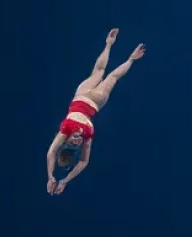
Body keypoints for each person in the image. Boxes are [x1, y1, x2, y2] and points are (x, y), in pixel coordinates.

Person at [45, 29, 145, 195]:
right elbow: (84, 162)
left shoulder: (65, 130)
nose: (77, 139)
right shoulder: (87, 136)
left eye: (73, 141)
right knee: (112, 77)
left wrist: (50, 176)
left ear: (67, 140)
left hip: (81, 95)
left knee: (98, 71)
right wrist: (65, 181)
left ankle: (109, 44)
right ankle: (131, 59)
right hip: (94, 102)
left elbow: (51, 152)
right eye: (77, 142)